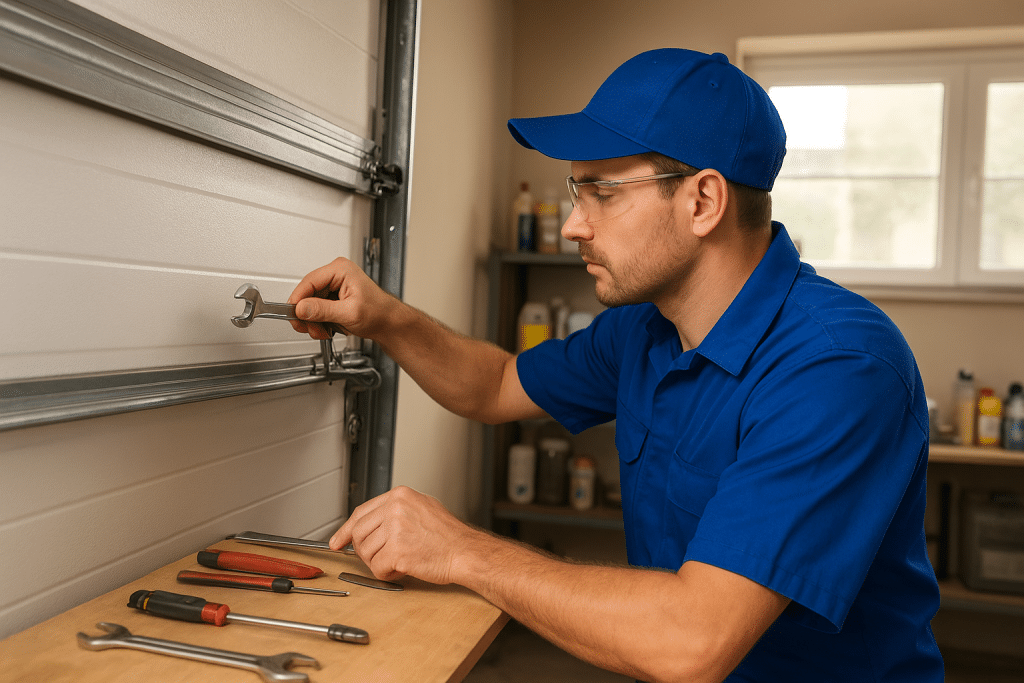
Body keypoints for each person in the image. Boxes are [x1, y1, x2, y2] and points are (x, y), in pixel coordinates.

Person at [288, 48, 944, 682]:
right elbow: (494, 385)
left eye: (602, 190)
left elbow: (693, 640)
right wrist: (383, 317)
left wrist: (462, 549)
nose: (574, 225)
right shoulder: (645, 329)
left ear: (703, 201)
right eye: (578, 190)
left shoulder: (838, 368)